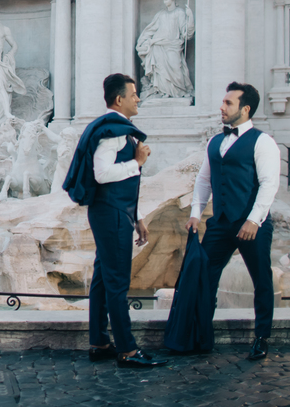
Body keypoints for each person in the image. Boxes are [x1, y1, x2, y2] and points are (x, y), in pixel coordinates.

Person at [64, 73, 166, 368]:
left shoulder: (114, 128)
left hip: (114, 213)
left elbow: (121, 187)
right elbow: (103, 174)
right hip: (110, 215)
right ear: (119, 99)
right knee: (118, 282)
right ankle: (128, 350)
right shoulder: (113, 131)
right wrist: (137, 162)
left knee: (101, 279)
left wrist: (138, 218)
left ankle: (99, 342)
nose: (138, 99)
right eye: (134, 94)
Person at [184, 82, 280, 361]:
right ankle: (201, 335)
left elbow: (269, 184)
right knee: (205, 277)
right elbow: (204, 180)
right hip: (221, 223)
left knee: (262, 281)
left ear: (245, 109)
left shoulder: (263, 142)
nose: (221, 107)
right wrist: (195, 212)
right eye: (223, 102)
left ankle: (261, 338)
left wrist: (253, 220)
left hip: (252, 224)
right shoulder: (215, 141)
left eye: (228, 103)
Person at [136, 0, 195, 100]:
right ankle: (163, 92)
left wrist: (190, 17)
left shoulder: (180, 13)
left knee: (176, 69)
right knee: (161, 71)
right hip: (158, 46)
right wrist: (143, 41)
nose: (165, 2)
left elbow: (186, 33)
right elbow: (151, 30)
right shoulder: (160, 14)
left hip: (173, 46)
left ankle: (179, 92)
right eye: (163, 0)